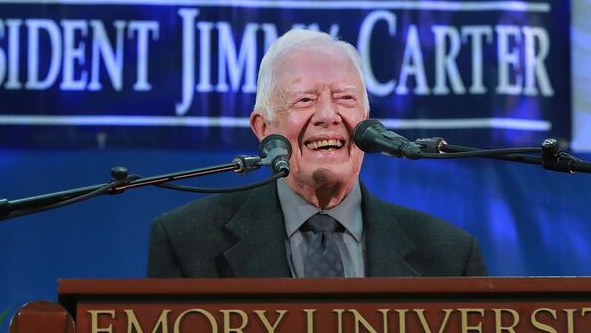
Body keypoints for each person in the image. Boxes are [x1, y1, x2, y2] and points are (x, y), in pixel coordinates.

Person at [147, 29, 487, 277]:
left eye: (345, 98)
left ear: (367, 123)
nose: (328, 115)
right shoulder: (188, 241)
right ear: (263, 128)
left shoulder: (449, 255)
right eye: (305, 100)